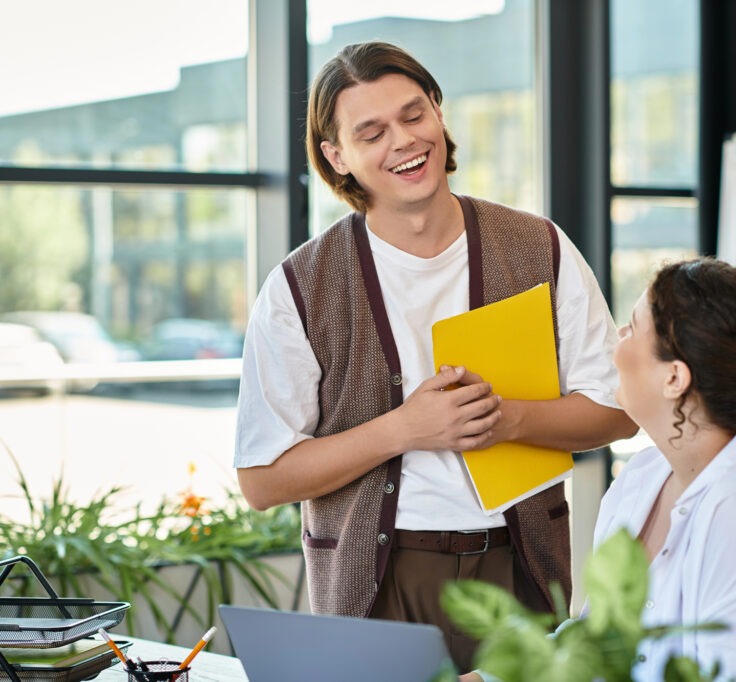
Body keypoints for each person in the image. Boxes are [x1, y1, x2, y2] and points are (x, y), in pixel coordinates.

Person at [232, 41, 636, 672]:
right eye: (371, 132)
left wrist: (509, 421)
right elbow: (261, 480)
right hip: (377, 579)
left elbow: (618, 411)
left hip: (520, 565)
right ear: (338, 157)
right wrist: (403, 430)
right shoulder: (298, 286)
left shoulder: (540, 248)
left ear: (439, 115)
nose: (403, 141)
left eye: (413, 115)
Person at [465, 257, 736, 681]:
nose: (618, 339)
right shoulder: (646, 475)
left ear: (674, 378)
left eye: (632, 328)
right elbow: (598, 640)